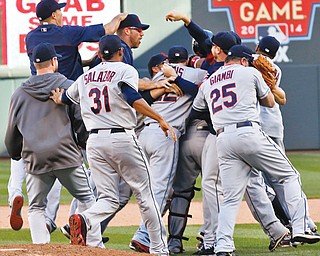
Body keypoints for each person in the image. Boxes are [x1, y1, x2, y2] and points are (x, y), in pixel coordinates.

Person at [50, 34, 176, 255]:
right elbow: (131, 97)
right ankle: (159, 249)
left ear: (99, 54)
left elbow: (67, 99)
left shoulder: (86, 77)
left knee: (108, 198)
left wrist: (58, 98)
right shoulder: (126, 69)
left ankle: (84, 218)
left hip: (95, 143)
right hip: (121, 138)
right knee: (145, 195)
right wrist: (160, 118)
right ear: (121, 52)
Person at [8, 0, 127, 234]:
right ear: (54, 14)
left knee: (29, 152)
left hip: (34, 96)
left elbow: (54, 57)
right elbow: (108, 29)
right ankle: (86, 233)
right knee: (66, 160)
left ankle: (17, 195)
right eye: (60, 9)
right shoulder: (69, 32)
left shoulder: (30, 38)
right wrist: (120, 18)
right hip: (63, 96)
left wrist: (76, 60)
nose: (62, 13)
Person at [193, 44, 320, 255]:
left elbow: (198, 109)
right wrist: (265, 84)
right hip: (248, 132)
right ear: (243, 60)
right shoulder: (250, 72)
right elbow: (270, 102)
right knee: (289, 176)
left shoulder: (208, 81)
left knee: (231, 197)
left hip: (223, 138)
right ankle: (300, 227)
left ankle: (223, 246)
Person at [5, 42, 96, 244]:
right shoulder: (68, 86)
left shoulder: (19, 93)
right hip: (66, 155)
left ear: (34, 64)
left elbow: (12, 133)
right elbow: (80, 120)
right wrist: (82, 142)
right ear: (54, 61)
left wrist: (17, 154)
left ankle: (41, 249)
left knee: (37, 207)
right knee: (88, 200)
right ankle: (95, 247)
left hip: (36, 159)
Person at [130, 45, 207, 253]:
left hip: (144, 133)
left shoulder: (157, 76)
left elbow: (143, 100)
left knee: (147, 189)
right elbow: (203, 91)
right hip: (166, 134)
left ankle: (140, 233)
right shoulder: (196, 72)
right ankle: (144, 235)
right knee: (162, 191)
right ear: (186, 59)